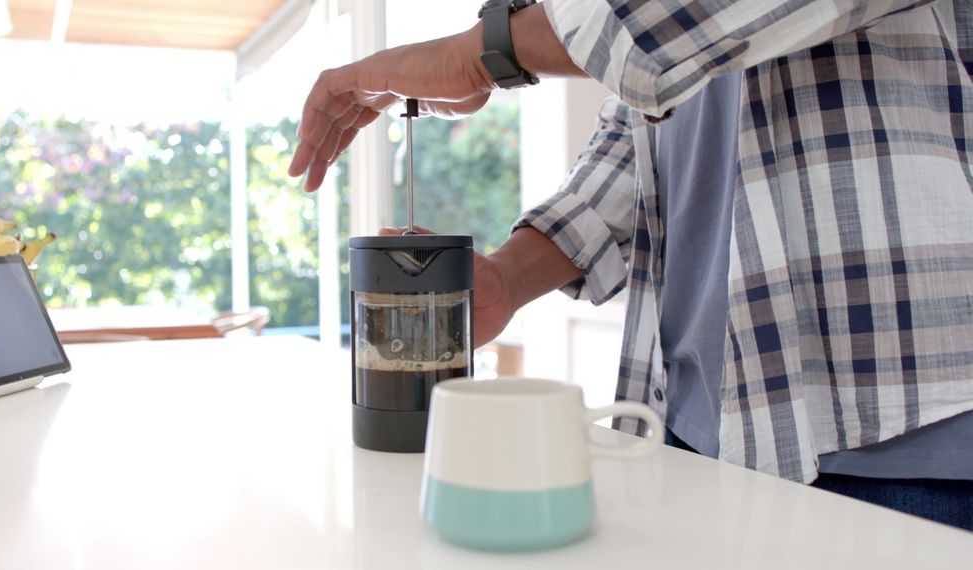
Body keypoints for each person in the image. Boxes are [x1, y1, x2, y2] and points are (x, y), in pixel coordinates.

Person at [287, 0, 973, 530]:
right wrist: (504, 279)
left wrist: (482, 52)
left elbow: (657, 29)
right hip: (700, 426)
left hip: (901, 434)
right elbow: (631, 149)